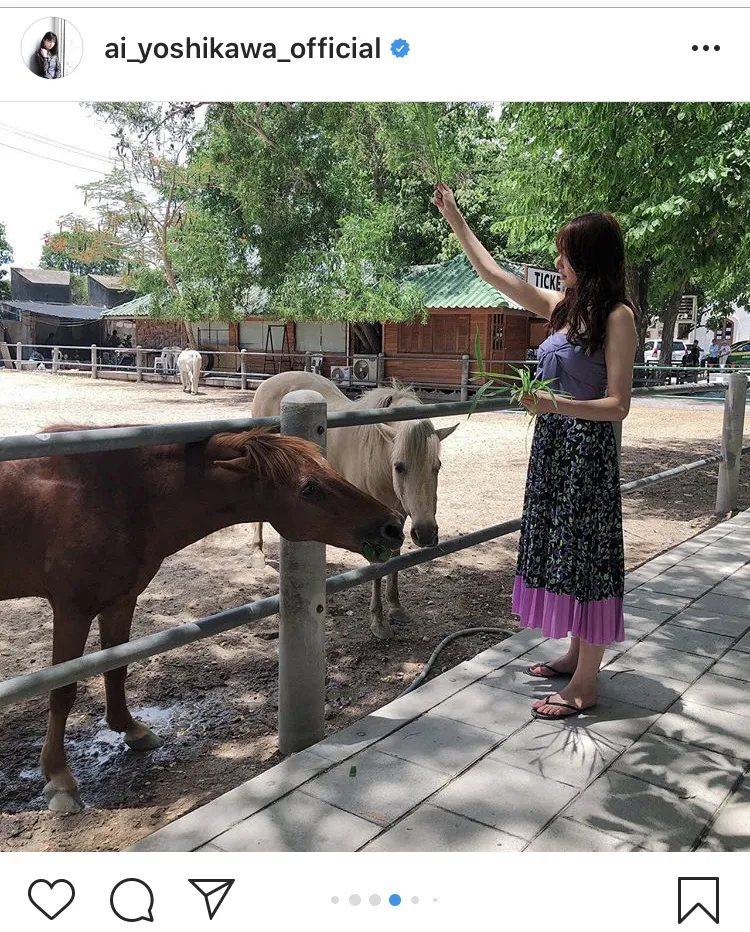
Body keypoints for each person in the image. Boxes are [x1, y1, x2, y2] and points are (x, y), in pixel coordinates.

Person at [433, 183, 638, 719]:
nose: (556, 262)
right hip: (553, 455)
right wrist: (456, 219)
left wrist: (552, 404)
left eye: (565, 254)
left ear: (586, 260)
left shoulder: (617, 317)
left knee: (588, 562)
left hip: (585, 459)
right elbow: (494, 276)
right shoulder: (564, 310)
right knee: (565, 557)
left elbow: (618, 405)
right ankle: (575, 655)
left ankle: (586, 685)